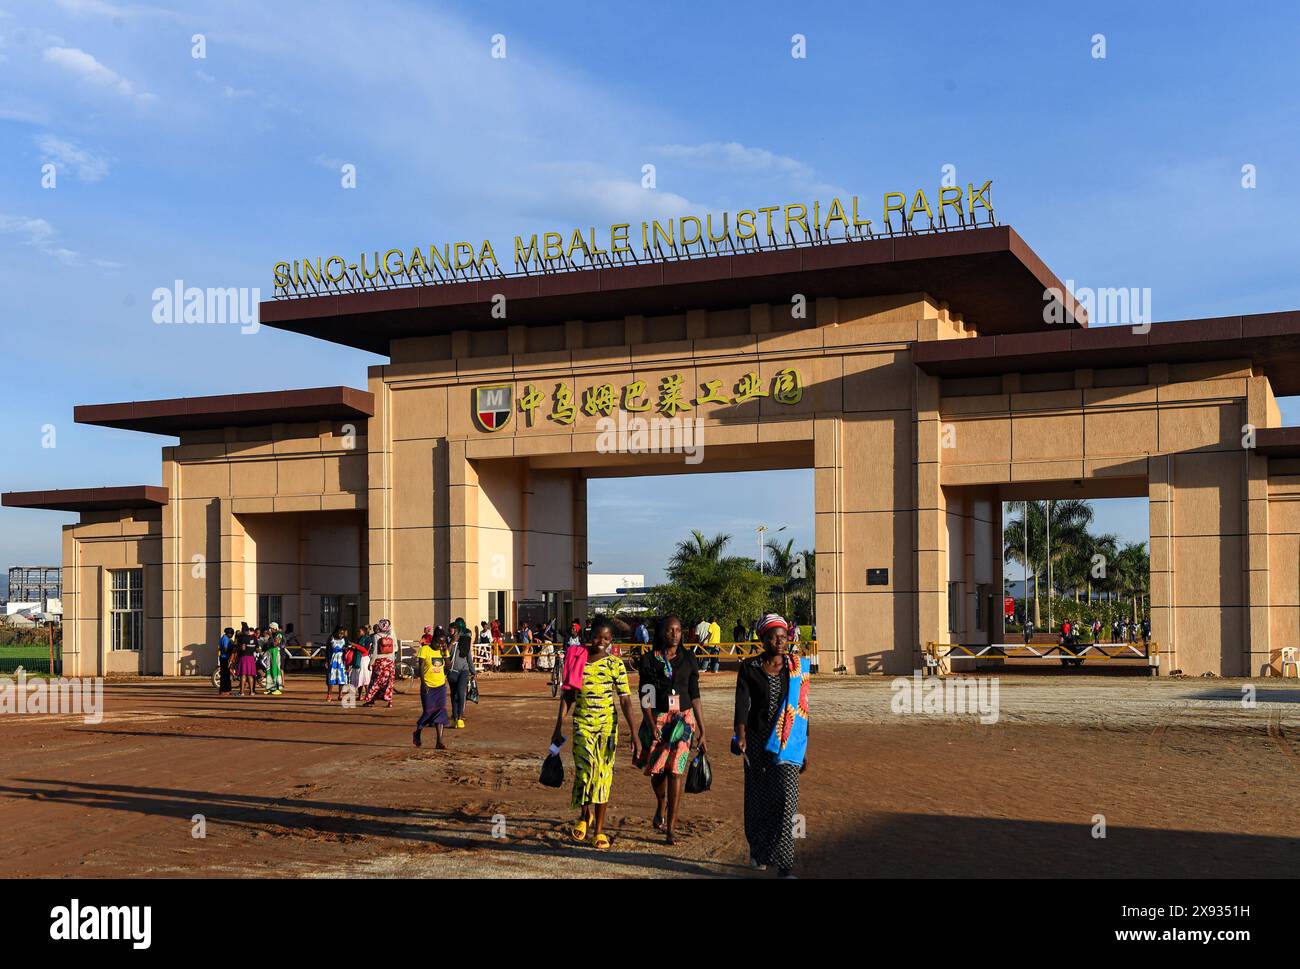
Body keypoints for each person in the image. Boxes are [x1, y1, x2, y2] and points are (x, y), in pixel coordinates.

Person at [551, 618, 640, 850]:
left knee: (602, 776)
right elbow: (568, 696)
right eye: (598, 637)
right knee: (584, 772)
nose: (601, 642)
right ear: (590, 636)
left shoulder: (615, 665)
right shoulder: (577, 658)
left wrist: (634, 733)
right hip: (582, 725)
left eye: (607, 639)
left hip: (607, 728)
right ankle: (584, 815)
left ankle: (598, 831)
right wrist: (558, 726)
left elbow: (625, 699)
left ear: (611, 641)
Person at [734, 614, 809, 878]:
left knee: (787, 799)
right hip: (757, 740)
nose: (781, 640)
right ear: (763, 639)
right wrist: (739, 734)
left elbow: (802, 709)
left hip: (788, 743)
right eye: (774, 636)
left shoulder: (797, 668)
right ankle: (758, 850)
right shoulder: (750, 667)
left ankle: (785, 865)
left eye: (784, 635)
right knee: (757, 798)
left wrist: (803, 748)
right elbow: (742, 704)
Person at [637, 615, 704, 846]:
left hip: (684, 720)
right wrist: (649, 722)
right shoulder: (649, 660)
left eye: (678, 630)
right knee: (657, 771)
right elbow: (645, 695)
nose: (674, 634)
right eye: (669, 630)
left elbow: (695, 695)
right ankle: (661, 803)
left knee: (676, 771)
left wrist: (701, 729)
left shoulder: (689, 659)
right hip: (658, 719)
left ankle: (671, 828)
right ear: (661, 633)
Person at [413, 631, 450, 750]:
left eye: (443, 643)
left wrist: (445, 654)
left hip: (440, 685)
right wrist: (423, 684)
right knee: (428, 712)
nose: (440, 645)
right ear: (433, 640)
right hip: (428, 685)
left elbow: (448, 667)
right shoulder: (425, 649)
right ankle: (418, 731)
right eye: (439, 642)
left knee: (441, 712)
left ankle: (439, 741)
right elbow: (421, 667)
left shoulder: (443, 651)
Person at [447, 618, 476, 728]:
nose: (450, 633)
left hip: (463, 671)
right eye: (449, 631)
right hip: (451, 672)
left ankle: (460, 717)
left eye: (452, 630)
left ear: (457, 630)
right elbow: (445, 654)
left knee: (460, 692)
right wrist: (451, 642)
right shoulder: (448, 641)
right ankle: (454, 718)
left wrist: (473, 671)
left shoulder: (464, 641)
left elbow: (468, 656)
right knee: (453, 695)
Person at [363, 628, 397, 707]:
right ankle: (389, 701)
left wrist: (371, 663)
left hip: (380, 663)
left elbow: (374, 651)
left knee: (375, 682)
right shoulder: (391, 636)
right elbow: (394, 650)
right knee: (389, 682)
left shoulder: (376, 636)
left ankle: (370, 700)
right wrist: (393, 662)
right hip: (390, 663)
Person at [325, 626, 349, 702]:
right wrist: (326, 661)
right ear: (336, 632)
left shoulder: (345, 639)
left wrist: (346, 649)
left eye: (342, 634)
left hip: (342, 661)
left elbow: (348, 649)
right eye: (339, 633)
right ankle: (329, 695)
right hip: (333, 660)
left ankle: (340, 694)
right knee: (331, 677)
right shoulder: (331, 639)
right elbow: (327, 651)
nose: (340, 635)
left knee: (341, 678)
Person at [234, 625, 259, 697]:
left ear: (243, 630)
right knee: (250, 675)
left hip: (244, 657)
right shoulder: (254, 638)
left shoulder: (242, 638)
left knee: (243, 675)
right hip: (251, 658)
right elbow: (257, 649)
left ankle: (241, 692)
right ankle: (251, 692)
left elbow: (243, 648)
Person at [349, 630, 372, 696]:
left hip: (364, 660)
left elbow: (365, 650)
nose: (358, 633)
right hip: (358, 660)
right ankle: (359, 695)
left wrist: (356, 645)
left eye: (359, 631)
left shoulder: (368, 639)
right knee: (359, 679)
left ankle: (368, 695)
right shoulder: (359, 639)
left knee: (365, 678)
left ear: (364, 632)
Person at [264, 623, 284, 695]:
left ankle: (276, 688)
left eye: (270, 628)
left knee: (275, 670)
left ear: (274, 628)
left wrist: (270, 636)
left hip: (275, 653)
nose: (269, 629)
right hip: (270, 653)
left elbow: (275, 644)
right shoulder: (271, 635)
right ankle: (270, 688)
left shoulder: (279, 634)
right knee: (269, 670)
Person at [217, 627, 235, 696]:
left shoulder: (223, 638)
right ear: (229, 633)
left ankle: (225, 689)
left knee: (225, 675)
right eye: (232, 634)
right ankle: (225, 690)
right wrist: (232, 647)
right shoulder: (225, 639)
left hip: (223, 657)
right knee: (225, 675)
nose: (232, 636)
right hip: (225, 658)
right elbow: (225, 648)